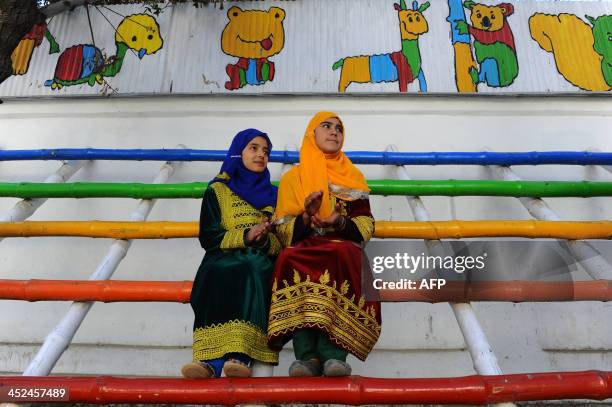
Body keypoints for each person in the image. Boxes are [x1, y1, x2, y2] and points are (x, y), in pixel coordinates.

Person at [267, 112, 381, 377]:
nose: (334, 132)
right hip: (305, 247)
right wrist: (306, 216)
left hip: (341, 246)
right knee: (288, 257)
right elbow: (283, 232)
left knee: (340, 252)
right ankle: (307, 358)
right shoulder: (292, 179)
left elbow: (365, 226)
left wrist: (338, 222)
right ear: (311, 135)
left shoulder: (352, 175)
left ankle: (333, 356)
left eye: (339, 128)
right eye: (326, 126)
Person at [182, 129, 281, 379]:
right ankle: (209, 361)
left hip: (259, 258)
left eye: (266, 151)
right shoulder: (217, 190)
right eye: (254, 148)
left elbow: (282, 243)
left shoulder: (275, 196)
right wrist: (245, 235)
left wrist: (262, 239)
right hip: (221, 256)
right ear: (239, 152)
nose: (261, 155)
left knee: (249, 267)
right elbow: (209, 236)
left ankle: (240, 355)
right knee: (215, 272)